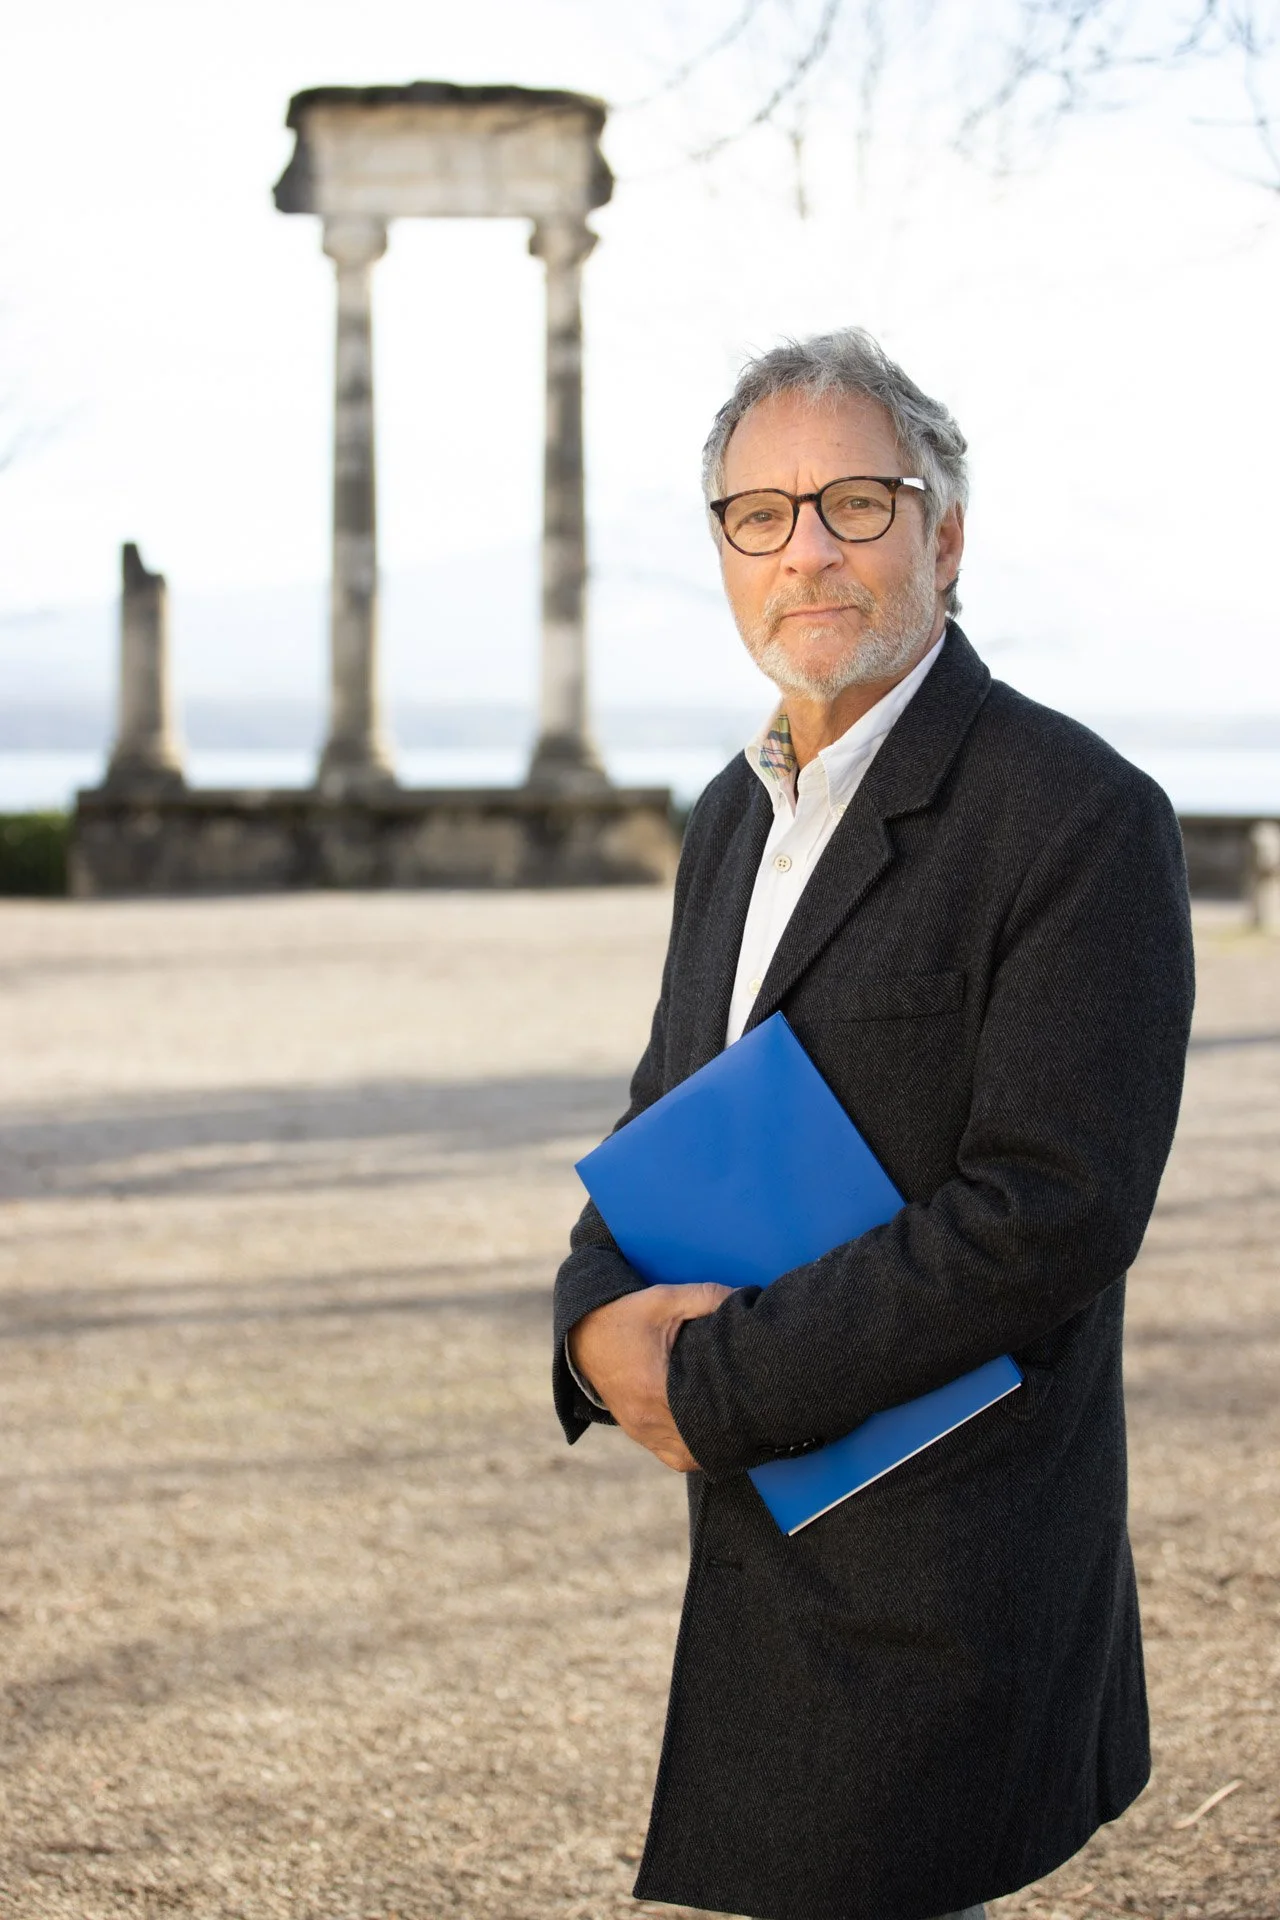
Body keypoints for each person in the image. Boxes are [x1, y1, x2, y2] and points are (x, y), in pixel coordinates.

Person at [552, 328, 1194, 1920]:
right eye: (758, 515)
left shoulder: (1080, 817)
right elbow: (666, 1117)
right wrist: (584, 1330)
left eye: (856, 500)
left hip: (945, 1560)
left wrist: (708, 1379)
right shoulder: (731, 814)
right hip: (764, 1546)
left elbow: (1050, 1212)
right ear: (723, 554)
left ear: (945, 535)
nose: (807, 549)